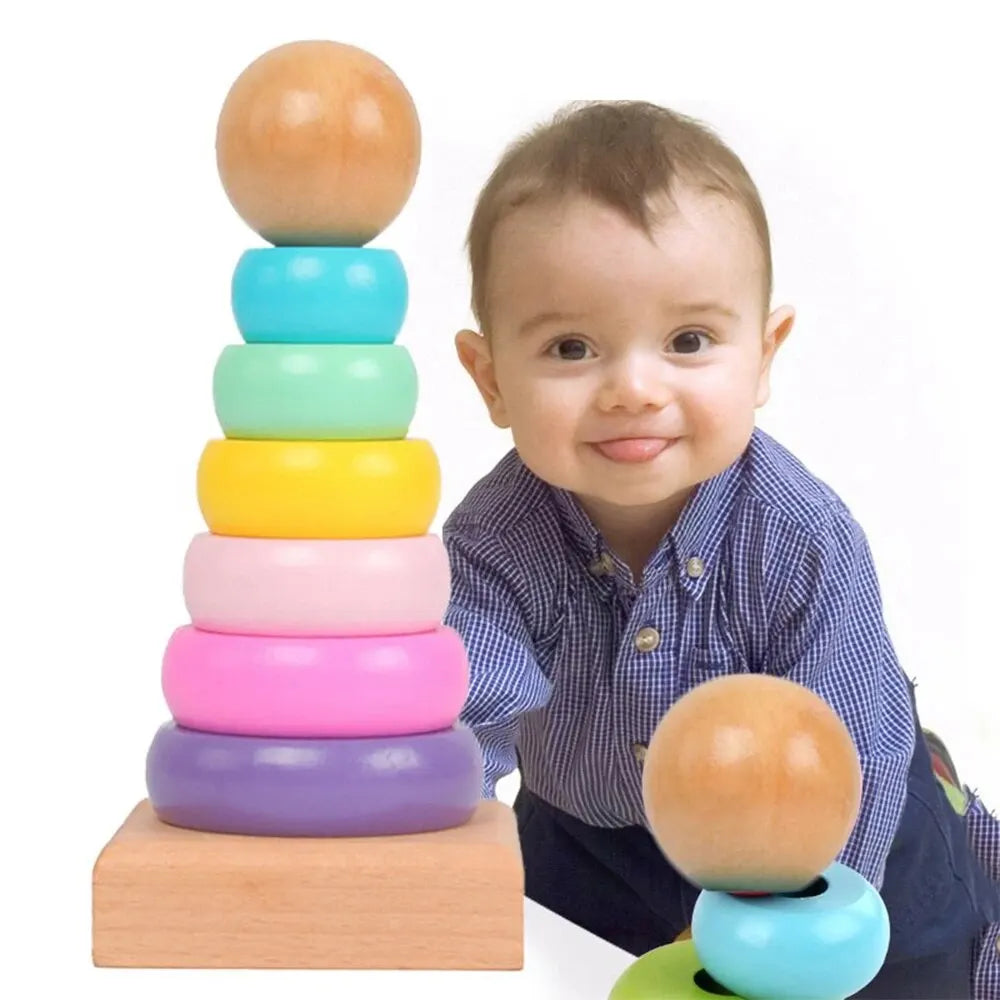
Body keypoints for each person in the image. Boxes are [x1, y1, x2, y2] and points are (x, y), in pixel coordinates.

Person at [440, 100, 1000, 998]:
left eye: (688, 341)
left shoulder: (799, 538)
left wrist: (792, 935)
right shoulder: (493, 540)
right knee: (561, 964)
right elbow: (462, 710)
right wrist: (419, 823)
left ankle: (930, 782)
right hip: (592, 837)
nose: (633, 388)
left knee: (905, 966)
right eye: (572, 347)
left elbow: (840, 758)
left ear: (764, 354)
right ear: (490, 377)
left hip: (825, 836)